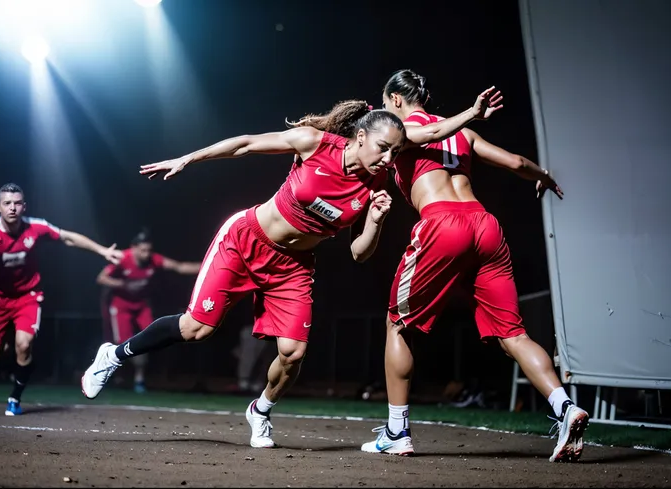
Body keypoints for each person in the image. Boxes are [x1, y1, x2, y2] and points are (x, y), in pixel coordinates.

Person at [81, 90, 496, 449]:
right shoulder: (314, 143)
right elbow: (244, 144)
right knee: (197, 329)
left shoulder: (373, 189)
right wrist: (189, 158)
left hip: (293, 268)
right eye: (383, 148)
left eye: (395, 153)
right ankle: (115, 355)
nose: (389, 159)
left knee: (292, 353)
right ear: (361, 136)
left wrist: (375, 223)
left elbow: (359, 254)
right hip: (245, 242)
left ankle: (260, 410)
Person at [360, 69, 588, 463]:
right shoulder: (464, 135)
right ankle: (565, 408)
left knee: (398, 323)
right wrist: (543, 176)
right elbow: (516, 162)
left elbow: (424, 136)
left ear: (396, 100)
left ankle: (397, 431)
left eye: (385, 104)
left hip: (443, 224)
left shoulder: (402, 131)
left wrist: (470, 112)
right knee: (512, 333)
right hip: (485, 227)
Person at [0, 183, 122, 415]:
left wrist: (102, 251)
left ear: (24, 206)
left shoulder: (36, 228)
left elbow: (67, 238)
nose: (13, 208)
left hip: (29, 297)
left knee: (23, 345)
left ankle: (14, 399)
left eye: (17, 203)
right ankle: (16, 347)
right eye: (7, 203)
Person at [96, 228, 200, 393]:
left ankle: (140, 378)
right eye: (143, 250)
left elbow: (179, 267)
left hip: (142, 306)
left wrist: (208, 267)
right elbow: (101, 278)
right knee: (122, 343)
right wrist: (122, 285)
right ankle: (118, 376)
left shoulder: (154, 260)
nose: (146, 254)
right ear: (134, 248)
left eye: (149, 250)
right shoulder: (122, 258)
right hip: (121, 306)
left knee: (150, 338)